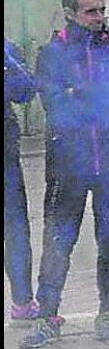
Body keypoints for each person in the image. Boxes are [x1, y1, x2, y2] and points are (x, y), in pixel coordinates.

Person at [21, 0, 109, 349]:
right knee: (58, 241)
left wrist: (84, 90)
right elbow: (56, 105)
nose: (99, 18)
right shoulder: (52, 55)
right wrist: (106, 90)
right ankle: (47, 317)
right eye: (91, 11)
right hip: (68, 165)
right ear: (70, 13)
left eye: (101, 10)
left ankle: (107, 311)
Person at [5, 39, 39, 321]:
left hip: (4, 157)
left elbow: (26, 91)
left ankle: (23, 302)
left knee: (15, 228)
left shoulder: (6, 49)